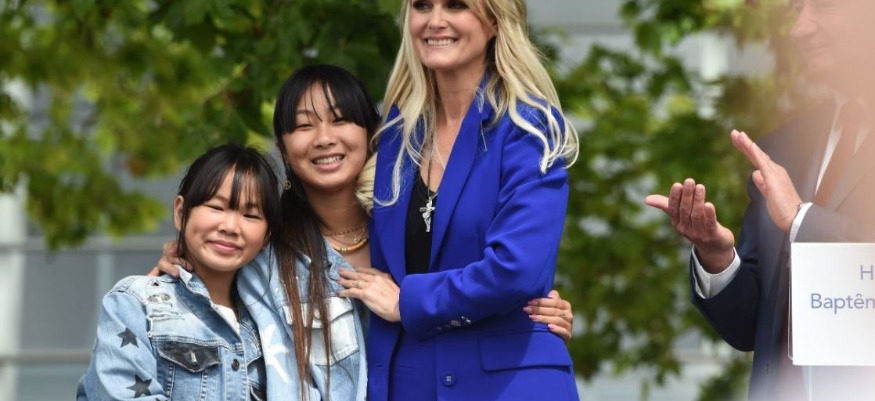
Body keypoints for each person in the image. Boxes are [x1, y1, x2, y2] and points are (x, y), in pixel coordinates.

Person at [154, 64, 575, 399]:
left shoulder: (415, 231)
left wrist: (525, 315)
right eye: (303, 126)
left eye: (340, 121)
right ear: (283, 148)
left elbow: (483, 283)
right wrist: (178, 263)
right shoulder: (264, 247)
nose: (324, 138)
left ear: (374, 135)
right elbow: (200, 306)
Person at [335, 1, 580, 400]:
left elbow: (516, 270)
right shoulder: (396, 134)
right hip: (408, 383)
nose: (435, 21)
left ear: (494, 21)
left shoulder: (528, 127)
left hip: (507, 385)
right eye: (422, 6)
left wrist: (410, 302)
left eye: (456, 5)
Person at [645, 1, 875, 400]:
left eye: (823, 7)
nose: (799, 29)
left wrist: (802, 220)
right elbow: (751, 327)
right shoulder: (784, 146)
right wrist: (717, 257)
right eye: (795, 10)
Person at [77, 144, 279, 400]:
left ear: (267, 236)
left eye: (250, 215)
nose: (230, 226)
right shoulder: (134, 303)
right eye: (216, 207)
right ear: (181, 212)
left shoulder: (273, 325)